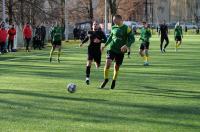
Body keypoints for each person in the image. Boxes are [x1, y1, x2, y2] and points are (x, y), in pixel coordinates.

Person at [100, 15, 135, 89]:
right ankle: (106, 79)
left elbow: (132, 39)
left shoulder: (126, 28)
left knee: (116, 67)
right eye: (113, 20)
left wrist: (126, 45)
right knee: (108, 63)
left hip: (120, 51)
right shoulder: (113, 27)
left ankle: (114, 80)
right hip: (112, 49)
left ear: (120, 19)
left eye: (115, 20)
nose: (114, 21)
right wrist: (104, 45)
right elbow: (110, 38)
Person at [80, 21, 107, 85]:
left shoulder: (101, 33)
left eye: (96, 24)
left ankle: (96, 62)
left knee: (98, 65)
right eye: (94, 24)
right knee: (89, 63)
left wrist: (100, 41)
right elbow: (87, 38)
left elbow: (106, 40)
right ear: (92, 26)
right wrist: (82, 43)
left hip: (97, 51)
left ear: (98, 26)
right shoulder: (89, 32)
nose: (95, 25)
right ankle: (87, 78)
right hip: (90, 50)